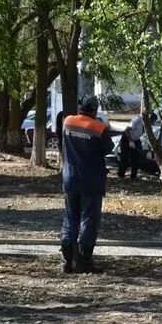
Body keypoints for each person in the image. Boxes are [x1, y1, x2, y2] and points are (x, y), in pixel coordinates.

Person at [59, 97, 115, 274]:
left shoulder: (67, 122)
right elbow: (108, 148)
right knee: (89, 220)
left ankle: (67, 261)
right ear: (94, 110)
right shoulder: (98, 127)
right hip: (91, 181)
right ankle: (85, 261)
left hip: (70, 178)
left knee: (70, 219)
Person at [118, 110, 148, 180]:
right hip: (127, 138)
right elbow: (127, 130)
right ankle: (121, 175)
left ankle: (133, 176)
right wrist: (130, 141)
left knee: (137, 158)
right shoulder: (137, 120)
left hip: (136, 140)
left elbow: (148, 137)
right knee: (125, 158)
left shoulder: (147, 125)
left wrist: (149, 150)